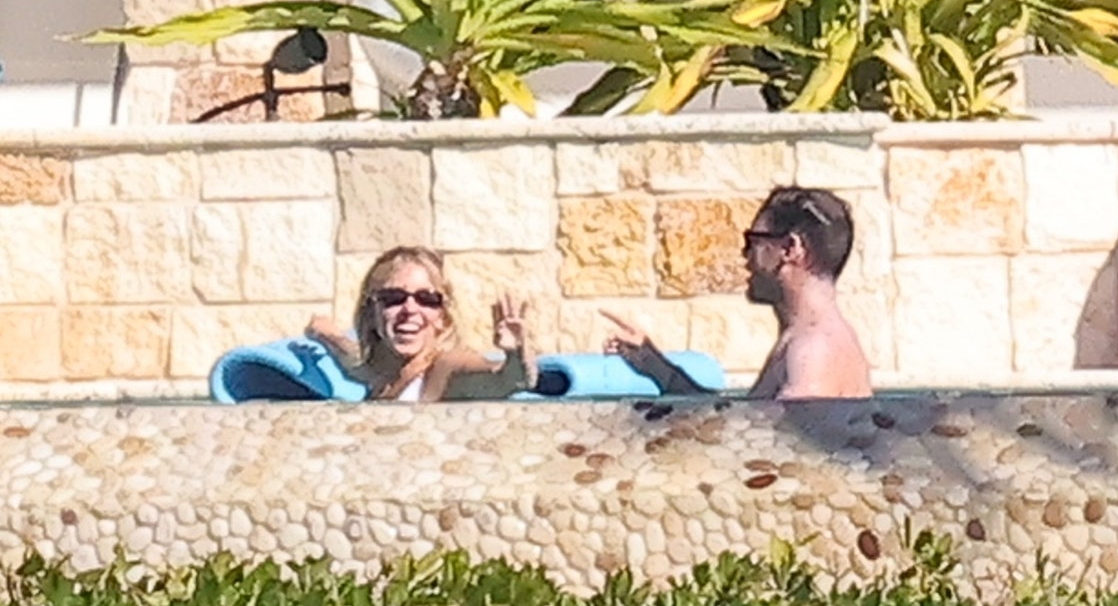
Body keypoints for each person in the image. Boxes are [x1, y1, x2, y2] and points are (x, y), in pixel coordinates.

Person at [602, 186, 872, 399]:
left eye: (753, 242)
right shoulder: (814, 339)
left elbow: (777, 455)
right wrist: (656, 366)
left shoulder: (812, 351)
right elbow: (739, 429)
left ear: (790, 249)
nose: (745, 257)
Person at [306, 245, 535, 401]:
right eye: (393, 298)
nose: (410, 309)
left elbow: (507, 380)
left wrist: (517, 355)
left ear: (443, 318)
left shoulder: (445, 368)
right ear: (371, 312)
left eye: (427, 299)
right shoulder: (376, 371)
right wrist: (323, 332)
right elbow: (348, 351)